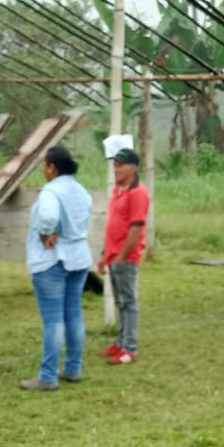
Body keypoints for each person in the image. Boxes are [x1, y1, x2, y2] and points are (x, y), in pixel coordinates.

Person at [20, 145, 94, 391]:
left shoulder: (51, 191)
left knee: (53, 320)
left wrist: (46, 232)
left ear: (52, 168)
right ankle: (72, 367)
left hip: (53, 260)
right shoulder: (80, 190)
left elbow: (49, 217)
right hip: (79, 258)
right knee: (73, 314)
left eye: (44, 164)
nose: (43, 169)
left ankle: (48, 376)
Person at [98, 147, 148, 365]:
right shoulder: (118, 190)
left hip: (125, 257)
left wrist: (121, 256)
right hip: (113, 255)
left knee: (128, 302)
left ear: (133, 168)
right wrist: (105, 254)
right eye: (114, 165)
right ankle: (120, 343)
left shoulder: (138, 193)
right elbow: (113, 224)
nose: (115, 169)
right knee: (120, 301)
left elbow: (136, 229)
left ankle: (129, 348)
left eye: (120, 166)